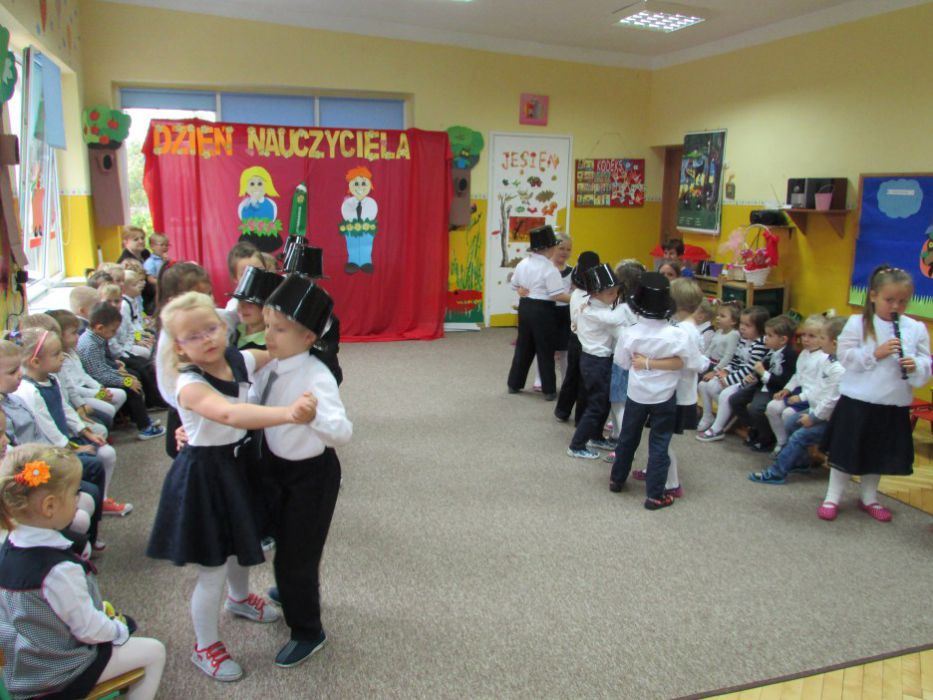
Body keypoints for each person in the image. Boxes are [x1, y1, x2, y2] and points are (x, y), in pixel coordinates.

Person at [147, 291, 317, 681]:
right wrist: (287, 414)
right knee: (213, 568)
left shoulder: (237, 359)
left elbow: (271, 352)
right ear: (179, 347)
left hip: (239, 467)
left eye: (211, 328)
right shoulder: (189, 383)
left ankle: (239, 599)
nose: (207, 338)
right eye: (193, 336)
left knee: (244, 544)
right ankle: (204, 646)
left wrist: (303, 341)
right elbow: (228, 413)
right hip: (207, 477)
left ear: (224, 326)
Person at [0, 444, 167, 699]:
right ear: (49, 506)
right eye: (75, 493)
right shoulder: (58, 570)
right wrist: (117, 628)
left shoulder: (8, 548)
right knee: (153, 652)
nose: (79, 499)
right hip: (60, 674)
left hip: (25, 666)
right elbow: (89, 630)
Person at [252, 274, 352, 667]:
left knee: (299, 555)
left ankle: (308, 631)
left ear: (309, 337)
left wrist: (313, 418)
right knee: (283, 540)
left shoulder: (316, 376)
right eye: (267, 326)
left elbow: (342, 432)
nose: (268, 336)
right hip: (276, 468)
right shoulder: (271, 366)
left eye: (279, 329)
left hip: (311, 477)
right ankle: (291, 588)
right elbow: (251, 403)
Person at [817, 266, 931, 522]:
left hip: (892, 403)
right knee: (846, 452)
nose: (896, 306)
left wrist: (915, 365)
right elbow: (845, 357)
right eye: (889, 300)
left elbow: (927, 362)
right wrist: (875, 354)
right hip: (858, 402)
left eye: (902, 301)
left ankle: (869, 497)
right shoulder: (857, 324)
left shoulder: (915, 328)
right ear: (873, 296)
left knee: (877, 453)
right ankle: (832, 497)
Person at [609, 273, 705, 509]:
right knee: (660, 443)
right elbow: (695, 363)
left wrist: (644, 362)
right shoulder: (677, 335)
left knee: (628, 437)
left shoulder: (630, 333)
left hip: (636, 394)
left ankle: (617, 479)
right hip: (664, 397)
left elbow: (622, 362)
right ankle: (655, 495)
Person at [12, 328, 130, 517]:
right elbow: (47, 427)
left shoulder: (52, 379)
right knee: (93, 465)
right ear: (35, 362)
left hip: (67, 440)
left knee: (107, 453)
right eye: (56, 354)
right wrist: (72, 448)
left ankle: (102, 500)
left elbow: (65, 408)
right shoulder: (30, 391)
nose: (62, 357)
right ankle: (79, 506)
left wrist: (85, 431)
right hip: (54, 449)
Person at [0, 341, 104, 549]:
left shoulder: (15, 399)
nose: (20, 375)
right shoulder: (21, 397)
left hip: (36, 463)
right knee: (83, 503)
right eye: (12, 372)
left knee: (87, 490)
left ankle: (80, 542)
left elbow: (38, 434)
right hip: (25, 486)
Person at [631, 278, 708, 497]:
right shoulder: (685, 328)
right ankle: (655, 471)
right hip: (671, 392)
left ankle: (672, 484)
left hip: (675, 395)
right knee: (657, 437)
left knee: (662, 441)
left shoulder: (683, 331)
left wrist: (648, 362)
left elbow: (691, 362)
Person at [750, 316, 845, 484]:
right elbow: (817, 388)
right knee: (790, 423)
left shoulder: (837, 368)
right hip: (816, 409)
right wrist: (795, 395)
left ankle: (776, 473)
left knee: (799, 436)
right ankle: (801, 462)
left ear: (835, 343)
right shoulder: (827, 361)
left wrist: (813, 417)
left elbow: (830, 401)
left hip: (828, 418)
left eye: (822, 338)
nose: (818, 341)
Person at [77, 303, 165, 441]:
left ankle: (137, 416)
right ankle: (144, 427)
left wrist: (119, 369)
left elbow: (102, 365)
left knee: (134, 376)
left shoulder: (96, 338)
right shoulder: (91, 345)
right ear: (100, 328)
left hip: (100, 375)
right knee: (131, 387)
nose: (114, 334)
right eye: (113, 331)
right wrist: (125, 381)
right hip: (96, 386)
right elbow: (98, 375)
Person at [566, 264, 628, 460]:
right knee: (596, 405)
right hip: (595, 361)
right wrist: (628, 307)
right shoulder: (595, 312)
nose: (615, 296)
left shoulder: (595, 306)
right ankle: (577, 445)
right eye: (610, 293)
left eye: (616, 292)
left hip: (598, 360)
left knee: (603, 401)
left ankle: (595, 436)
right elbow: (616, 320)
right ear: (595, 293)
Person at [506, 225, 570, 400]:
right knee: (545, 349)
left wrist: (522, 290)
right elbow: (557, 295)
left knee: (523, 346)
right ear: (549, 248)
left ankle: (514, 383)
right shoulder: (549, 268)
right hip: (543, 310)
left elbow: (514, 284)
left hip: (525, 307)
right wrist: (576, 300)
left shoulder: (523, 263)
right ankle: (549, 390)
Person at [695, 305, 769, 440]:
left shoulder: (760, 344)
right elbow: (736, 360)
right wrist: (725, 370)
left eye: (748, 325)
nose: (743, 328)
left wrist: (729, 380)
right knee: (704, 385)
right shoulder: (744, 339)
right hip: (735, 374)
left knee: (725, 394)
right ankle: (709, 416)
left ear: (760, 327)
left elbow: (751, 368)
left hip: (748, 380)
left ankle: (717, 429)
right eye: (742, 324)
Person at [48, 309, 128, 431]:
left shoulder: (72, 352)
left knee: (121, 394)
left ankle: (106, 423)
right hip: (80, 395)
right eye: (73, 333)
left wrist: (99, 388)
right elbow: (72, 388)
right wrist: (97, 394)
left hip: (88, 388)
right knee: (109, 409)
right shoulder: (61, 360)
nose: (78, 336)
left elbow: (84, 375)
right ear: (59, 336)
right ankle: (103, 425)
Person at [729, 314, 798, 451]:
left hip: (775, 389)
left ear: (783, 340)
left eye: (770, 335)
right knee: (735, 399)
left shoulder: (790, 355)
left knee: (756, 408)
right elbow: (762, 368)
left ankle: (767, 437)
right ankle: (754, 427)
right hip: (762, 384)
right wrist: (753, 376)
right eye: (766, 334)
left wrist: (762, 373)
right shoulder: (772, 350)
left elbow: (783, 381)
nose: (765, 338)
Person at [764, 315, 827, 454]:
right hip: (799, 391)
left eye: (811, 336)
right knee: (772, 407)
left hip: (811, 398)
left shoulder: (824, 358)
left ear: (823, 338)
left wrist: (801, 397)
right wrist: (787, 389)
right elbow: (797, 376)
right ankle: (782, 442)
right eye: (804, 335)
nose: (805, 339)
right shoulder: (804, 353)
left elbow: (820, 386)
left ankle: (792, 448)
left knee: (788, 414)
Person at [554, 251, 600, 424]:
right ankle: (581, 418)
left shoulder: (575, 294)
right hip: (589, 341)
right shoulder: (593, 298)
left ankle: (562, 410)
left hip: (574, 337)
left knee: (571, 375)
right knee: (584, 380)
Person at [116, 227, 156, 315]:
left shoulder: (145, 253)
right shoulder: (125, 261)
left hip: (150, 292)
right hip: (140, 298)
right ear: (125, 242)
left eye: (142, 238)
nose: (141, 241)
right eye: (136, 239)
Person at [703, 301, 740, 373]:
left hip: (720, 367)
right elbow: (710, 349)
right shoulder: (719, 331)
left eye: (722, 316)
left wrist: (715, 371)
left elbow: (728, 357)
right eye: (717, 315)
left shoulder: (734, 334)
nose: (717, 318)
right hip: (710, 363)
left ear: (734, 321)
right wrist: (702, 361)